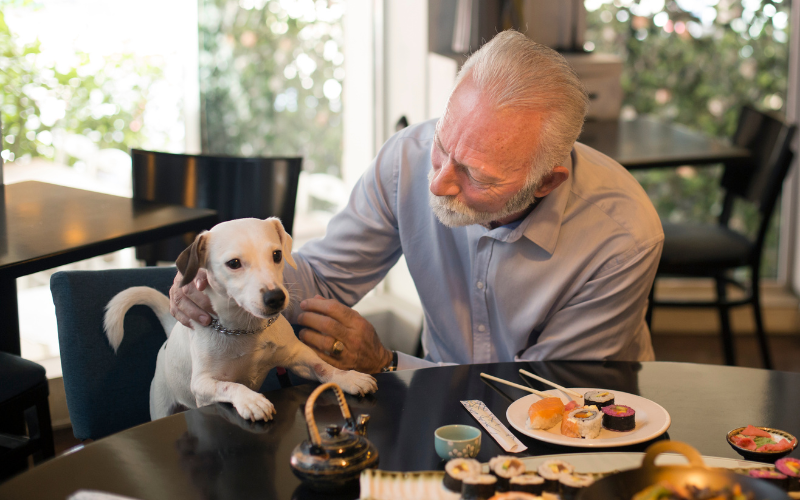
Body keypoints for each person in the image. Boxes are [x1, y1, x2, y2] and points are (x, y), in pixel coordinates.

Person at [170, 30, 664, 374]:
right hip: (437, 397)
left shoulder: (622, 237)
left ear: (545, 183)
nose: (438, 183)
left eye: (474, 174)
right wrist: (220, 278)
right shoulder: (406, 159)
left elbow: (543, 398)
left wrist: (387, 365)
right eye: (444, 146)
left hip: (578, 425)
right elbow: (320, 282)